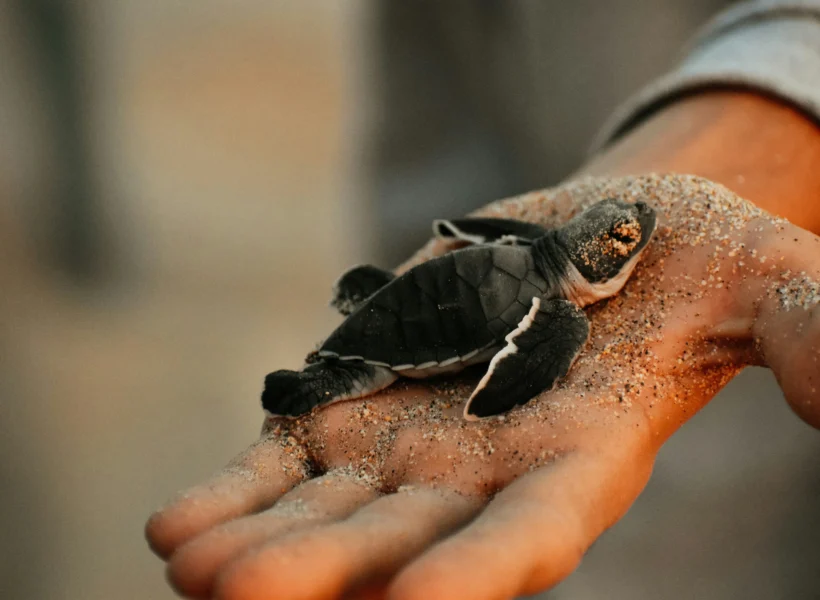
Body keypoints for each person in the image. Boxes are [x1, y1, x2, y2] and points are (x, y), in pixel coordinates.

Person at [145, 2, 820, 598]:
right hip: (486, 115)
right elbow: (451, 198)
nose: (635, 232)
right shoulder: (556, 315)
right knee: (368, 371)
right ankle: (320, 377)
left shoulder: (535, 257)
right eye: (618, 231)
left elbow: (469, 234)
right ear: (585, 253)